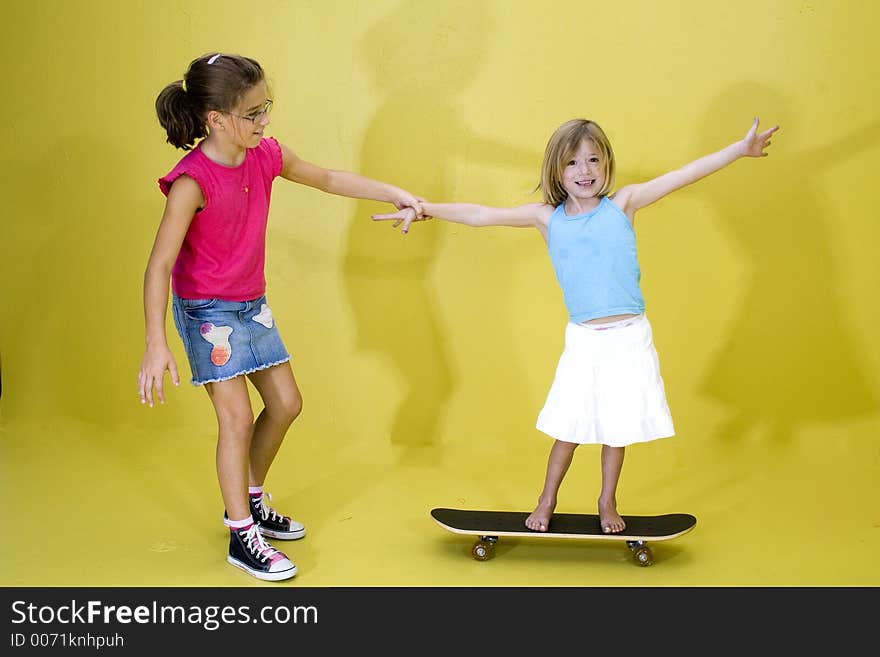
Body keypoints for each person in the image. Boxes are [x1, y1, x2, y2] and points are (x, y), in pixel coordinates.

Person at [374, 117, 778, 533]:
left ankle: (607, 500)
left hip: (629, 336)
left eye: (592, 160)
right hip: (585, 338)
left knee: (616, 427)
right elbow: (479, 214)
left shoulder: (624, 204)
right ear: (556, 171)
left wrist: (738, 150)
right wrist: (425, 209)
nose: (583, 171)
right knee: (569, 425)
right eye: (572, 163)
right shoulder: (547, 218)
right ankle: (546, 498)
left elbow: (684, 175)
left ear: (605, 165)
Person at [137, 52, 424, 581]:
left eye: (266, 107)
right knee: (238, 418)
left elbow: (329, 178)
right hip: (207, 310)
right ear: (216, 119)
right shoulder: (191, 181)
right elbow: (159, 266)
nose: (264, 121)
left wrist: (394, 192)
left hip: (251, 302)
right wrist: (156, 342)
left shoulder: (265, 155)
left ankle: (248, 500)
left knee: (287, 403)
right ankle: (241, 535)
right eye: (252, 113)